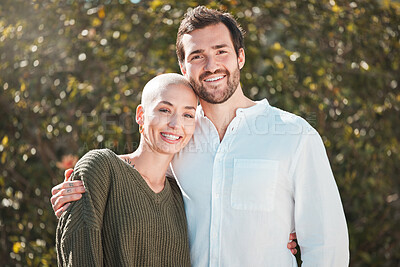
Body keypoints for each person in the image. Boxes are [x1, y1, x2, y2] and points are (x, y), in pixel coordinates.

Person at [52, 6, 348, 266]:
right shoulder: (180, 135)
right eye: (197, 56)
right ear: (183, 67)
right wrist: (85, 188)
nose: (211, 65)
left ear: (240, 57)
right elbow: (137, 176)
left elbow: (326, 247)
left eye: (221, 51)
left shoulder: (294, 135)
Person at [55, 73, 196, 266]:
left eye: (187, 115)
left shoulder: (180, 197)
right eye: (164, 110)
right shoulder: (102, 168)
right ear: (141, 115)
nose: (175, 124)